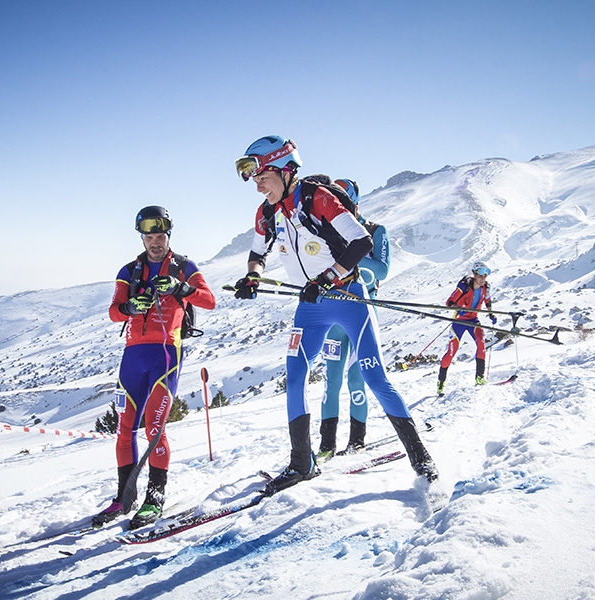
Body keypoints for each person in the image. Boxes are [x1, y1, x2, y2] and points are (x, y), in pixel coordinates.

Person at [232, 135, 437, 495]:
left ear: (285, 169)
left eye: (262, 175)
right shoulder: (268, 211)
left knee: (376, 380)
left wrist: (326, 278)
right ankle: (302, 463)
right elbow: (257, 251)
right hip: (310, 307)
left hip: (348, 298)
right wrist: (252, 274)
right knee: (295, 377)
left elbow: (361, 243)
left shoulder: (317, 199)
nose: (257, 184)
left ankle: (422, 461)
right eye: (253, 177)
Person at [94, 205, 216, 529]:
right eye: (149, 236)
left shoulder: (183, 266)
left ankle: (155, 498)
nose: (155, 242)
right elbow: (113, 312)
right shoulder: (129, 270)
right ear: (143, 237)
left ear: (167, 236)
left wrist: (181, 288)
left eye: (160, 235)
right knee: (124, 430)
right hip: (132, 357)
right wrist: (130, 306)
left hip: (165, 355)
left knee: (154, 429)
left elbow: (208, 299)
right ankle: (124, 497)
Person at [317, 177, 391, 460]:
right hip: (334, 311)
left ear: (356, 204)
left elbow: (381, 271)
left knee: (356, 380)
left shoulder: (375, 231)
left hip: (362, 310)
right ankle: (326, 446)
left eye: (346, 203)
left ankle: (357, 441)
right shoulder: (325, 230)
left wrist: (351, 254)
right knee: (331, 381)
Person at [436, 261, 496, 396]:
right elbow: (449, 302)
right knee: (452, 352)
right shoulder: (464, 285)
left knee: (481, 344)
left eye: (486, 274)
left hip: (473, 320)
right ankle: (441, 382)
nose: (483, 278)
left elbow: (487, 300)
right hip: (459, 321)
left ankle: (479, 377)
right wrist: (458, 309)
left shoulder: (486, 287)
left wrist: (491, 313)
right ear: (474, 273)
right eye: (481, 273)